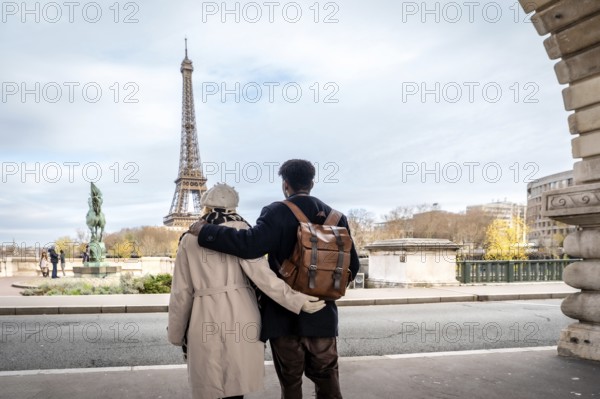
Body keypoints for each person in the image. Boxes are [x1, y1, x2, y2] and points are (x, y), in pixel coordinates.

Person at [190, 159, 360, 399]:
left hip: (284, 316)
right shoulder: (337, 218)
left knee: (291, 383)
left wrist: (207, 231)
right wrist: (322, 288)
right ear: (312, 183)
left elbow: (249, 245)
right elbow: (352, 266)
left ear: (285, 184)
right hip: (322, 313)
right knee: (328, 378)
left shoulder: (276, 211)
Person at [168, 183, 326, 399]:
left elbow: (181, 292)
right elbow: (264, 279)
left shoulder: (189, 239)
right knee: (235, 385)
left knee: (210, 382)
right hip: (242, 314)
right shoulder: (244, 234)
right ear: (234, 207)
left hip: (203, 315)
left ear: (205, 206)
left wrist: (176, 333)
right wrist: (297, 300)